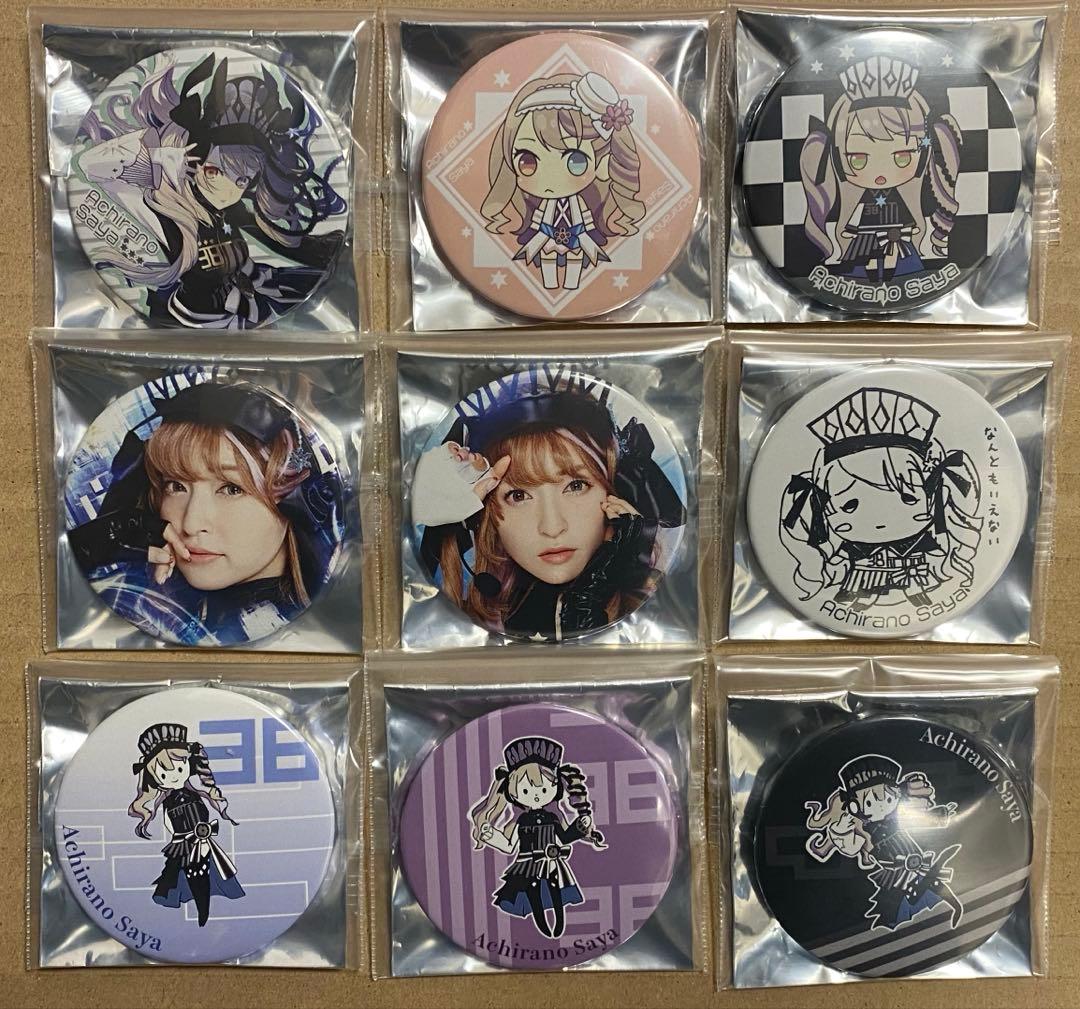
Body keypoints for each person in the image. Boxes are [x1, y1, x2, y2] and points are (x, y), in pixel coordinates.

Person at [76, 52, 346, 327]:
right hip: (184, 323)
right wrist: (160, 155)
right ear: (197, 162)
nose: (231, 189)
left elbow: (269, 247)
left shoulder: (227, 211)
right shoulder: (162, 205)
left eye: (243, 181)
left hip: (240, 320)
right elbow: (88, 164)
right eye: (216, 170)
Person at [412, 374, 685, 640]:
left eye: (576, 486)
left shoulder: (670, 619)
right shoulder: (458, 625)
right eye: (518, 495)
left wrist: (591, 595)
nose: (552, 527)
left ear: (616, 492)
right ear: (483, 515)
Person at [68, 381, 342, 645]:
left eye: (231, 489)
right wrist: (87, 549)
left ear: (296, 501)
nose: (191, 523)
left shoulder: (319, 635)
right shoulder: (135, 602)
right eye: (176, 486)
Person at [779, 386, 982, 611]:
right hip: (864, 574)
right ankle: (862, 600)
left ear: (931, 493)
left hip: (910, 573)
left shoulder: (918, 541)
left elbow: (936, 551)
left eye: (907, 498)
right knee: (860, 596)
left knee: (915, 591)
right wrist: (832, 562)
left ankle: (909, 595)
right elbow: (839, 558)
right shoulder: (854, 547)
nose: (880, 520)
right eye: (849, 505)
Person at [799, 56, 962, 281]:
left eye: (902, 157)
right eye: (858, 160)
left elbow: (906, 219)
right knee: (865, 263)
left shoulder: (901, 198)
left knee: (900, 265)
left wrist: (910, 229)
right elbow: (856, 217)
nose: (880, 174)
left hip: (897, 239)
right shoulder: (861, 199)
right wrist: (850, 230)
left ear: (923, 154)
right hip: (864, 239)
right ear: (837, 157)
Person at [481, 71, 644, 291]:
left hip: (575, 233)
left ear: (602, 164)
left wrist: (587, 233)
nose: (549, 178)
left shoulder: (581, 203)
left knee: (575, 260)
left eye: (575, 161)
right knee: (547, 259)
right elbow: (539, 219)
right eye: (527, 161)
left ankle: (570, 286)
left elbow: (585, 218)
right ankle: (550, 285)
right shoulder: (543, 206)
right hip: (547, 233)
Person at [469, 735, 606, 938]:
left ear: (556, 788)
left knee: (556, 897)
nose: (535, 795)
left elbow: (564, 837)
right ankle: (543, 929)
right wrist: (491, 836)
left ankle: (557, 929)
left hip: (552, 867)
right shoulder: (521, 821)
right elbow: (508, 846)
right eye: (525, 789)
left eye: (543, 789)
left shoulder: (553, 817)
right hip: (526, 868)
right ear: (512, 792)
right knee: (533, 897)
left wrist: (580, 826)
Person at [805, 754, 963, 929]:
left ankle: (953, 915)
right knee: (899, 911)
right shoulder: (863, 831)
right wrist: (840, 830)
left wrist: (942, 813)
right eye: (870, 803)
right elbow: (851, 847)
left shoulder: (898, 819)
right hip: (893, 876)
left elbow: (921, 820)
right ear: (854, 806)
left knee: (937, 894)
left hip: (917, 867)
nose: (881, 806)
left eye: (888, 799)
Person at [128, 721, 244, 927]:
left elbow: (202, 814)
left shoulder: (196, 794)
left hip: (204, 843)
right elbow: (169, 824)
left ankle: (203, 912)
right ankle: (201, 913)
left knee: (208, 875)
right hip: (184, 845)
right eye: (163, 774)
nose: (174, 776)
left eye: (180, 767)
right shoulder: (166, 801)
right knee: (185, 876)